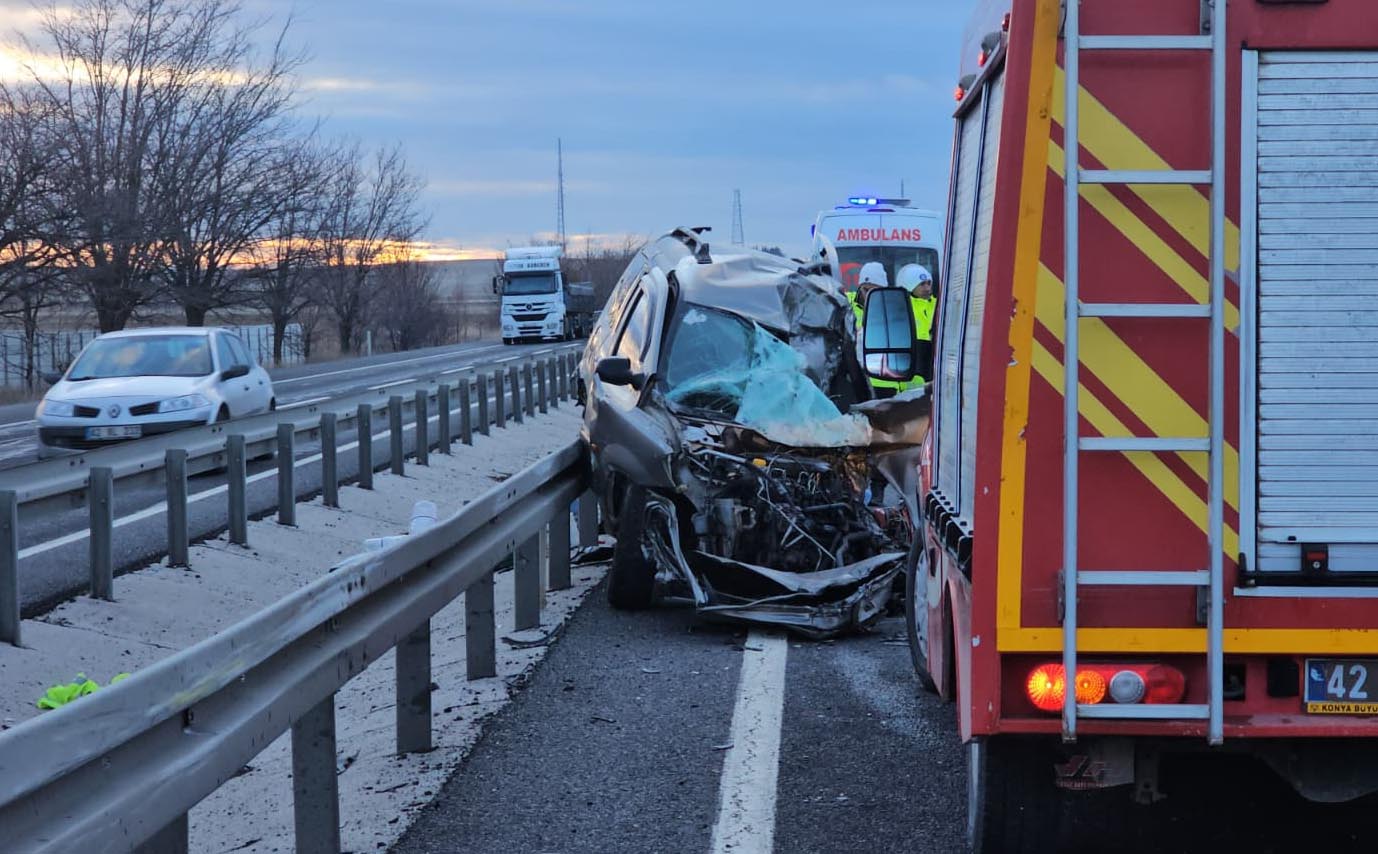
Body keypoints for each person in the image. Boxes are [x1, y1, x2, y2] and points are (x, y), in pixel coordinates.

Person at [849, 262, 905, 398]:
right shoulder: (847, 304)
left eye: (875, 291)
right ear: (860, 287)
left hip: (885, 379)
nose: (869, 295)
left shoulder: (894, 309)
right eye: (866, 289)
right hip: (856, 379)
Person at [897, 264, 936, 385]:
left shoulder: (938, 304)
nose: (927, 288)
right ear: (910, 286)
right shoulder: (902, 307)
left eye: (929, 283)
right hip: (912, 359)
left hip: (934, 358)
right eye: (922, 284)